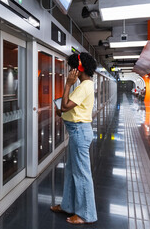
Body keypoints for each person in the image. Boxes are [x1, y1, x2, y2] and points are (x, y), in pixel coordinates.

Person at [50, 52, 97, 224]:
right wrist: (62, 110)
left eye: (72, 67)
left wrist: (67, 84)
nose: (71, 71)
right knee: (71, 171)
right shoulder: (84, 85)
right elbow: (66, 108)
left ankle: (86, 214)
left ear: (79, 68)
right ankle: (67, 205)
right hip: (76, 131)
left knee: (82, 174)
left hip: (79, 132)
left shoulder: (83, 86)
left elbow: (65, 105)